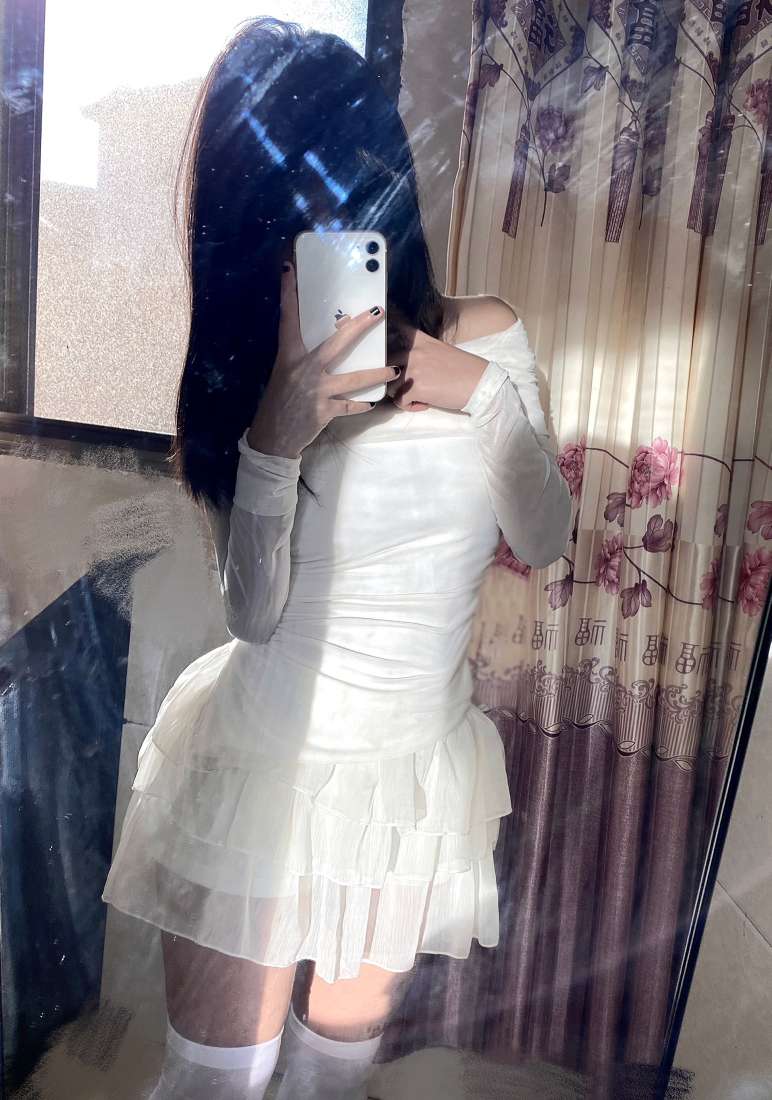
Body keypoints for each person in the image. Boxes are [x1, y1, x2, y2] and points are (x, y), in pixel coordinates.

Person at [101, 15, 573, 1100]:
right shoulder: (243, 373)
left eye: (343, 181)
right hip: (258, 772)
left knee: (326, 1083)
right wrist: (275, 435)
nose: (318, 220)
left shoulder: (491, 337)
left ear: (384, 180)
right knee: (218, 1087)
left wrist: (480, 391)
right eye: (279, 206)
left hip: (406, 784)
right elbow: (253, 614)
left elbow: (544, 537)